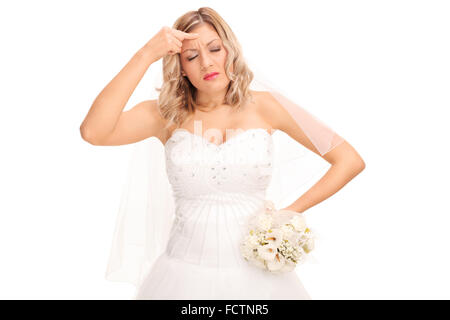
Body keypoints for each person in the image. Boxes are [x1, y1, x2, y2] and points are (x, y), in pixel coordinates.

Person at [80, 7, 365, 299]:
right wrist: (145, 54)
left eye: (215, 49)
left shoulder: (268, 106)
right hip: (181, 279)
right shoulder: (164, 115)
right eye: (191, 56)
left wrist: (287, 214)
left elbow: (348, 160)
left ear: (230, 50)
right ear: (180, 67)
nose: (206, 63)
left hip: (259, 280)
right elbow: (93, 132)